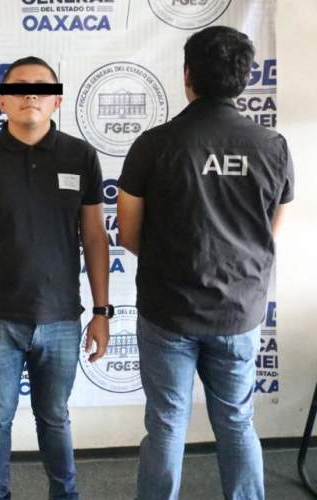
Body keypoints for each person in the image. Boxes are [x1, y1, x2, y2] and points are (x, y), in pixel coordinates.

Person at [117, 26, 294, 500]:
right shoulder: (273, 146)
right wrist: (236, 264)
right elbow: (270, 234)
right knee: (237, 421)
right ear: (244, 78)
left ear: (187, 75)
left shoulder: (153, 145)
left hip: (168, 310)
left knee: (166, 424)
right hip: (238, 311)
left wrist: (176, 263)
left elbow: (128, 234)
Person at [0, 56, 111, 500]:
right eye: (18, 87)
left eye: (41, 86)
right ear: (2, 100)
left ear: (57, 99)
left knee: (54, 417)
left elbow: (95, 237)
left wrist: (102, 312)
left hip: (62, 317)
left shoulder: (80, 156)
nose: (30, 94)